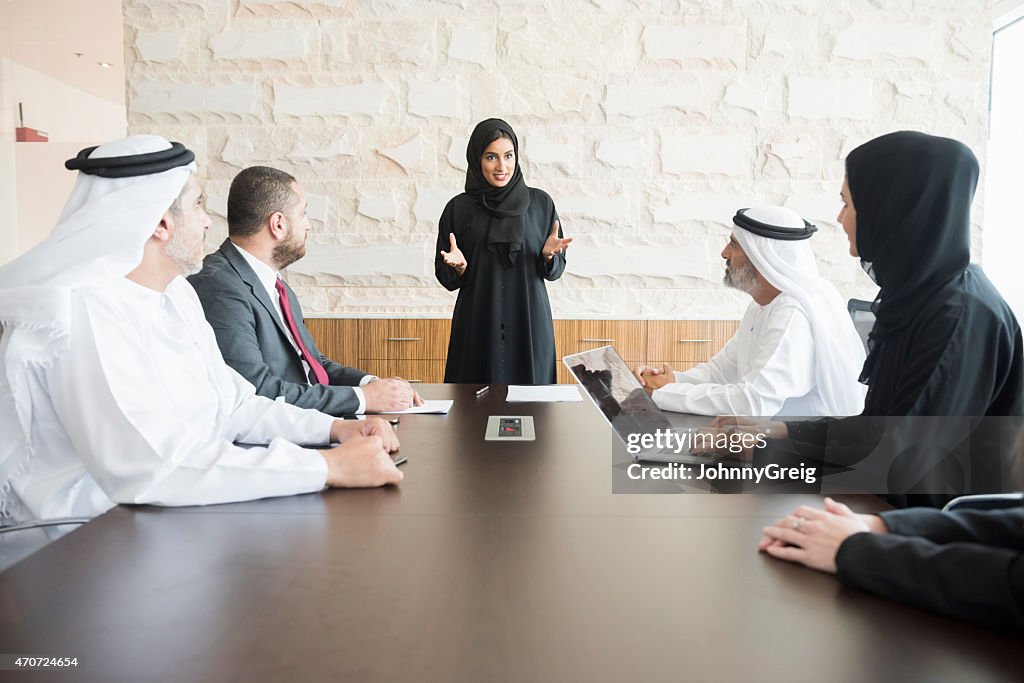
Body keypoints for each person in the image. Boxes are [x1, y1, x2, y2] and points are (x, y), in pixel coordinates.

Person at [0, 136, 403, 532]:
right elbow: (153, 467)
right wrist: (326, 466)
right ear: (161, 223)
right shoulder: (83, 311)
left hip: (168, 515)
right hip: (79, 542)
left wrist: (334, 430)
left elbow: (233, 405)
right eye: (198, 205)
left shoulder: (176, 295)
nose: (209, 221)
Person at [713, 132, 1024, 507]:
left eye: (847, 203)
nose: (840, 218)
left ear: (892, 210)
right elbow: (877, 431)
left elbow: (907, 462)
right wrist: (777, 430)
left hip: (936, 536)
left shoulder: (958, 315)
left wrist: (765, 455)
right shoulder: (918, 296)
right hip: (891, 516)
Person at [189, 166, 421, 416]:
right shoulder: (218, 286)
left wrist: (372, 384)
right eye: (304, 214)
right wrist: (362, 399)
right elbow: (255, 390)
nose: (308, 226)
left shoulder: (276, 285)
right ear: (278, 224)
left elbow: (313, 365)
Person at [634, 206, 866, 418]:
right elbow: (721, 372)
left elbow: (754, 402)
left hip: (801, 453)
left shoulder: (793, 312)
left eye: (734, 245)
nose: (724, 253)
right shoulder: (762, 304)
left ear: (762, 257)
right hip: (764, 442)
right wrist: (671, 380)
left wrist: (662, 394)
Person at [435, 118, 572, 384]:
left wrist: (548, 257)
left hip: (529, 320)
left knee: (534, 410)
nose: (502, 166)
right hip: (478, 320)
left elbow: (555, 271)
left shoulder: (540, 204)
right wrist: (460, 268)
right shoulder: (458, 209)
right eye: (491, 157)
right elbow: (444, 275)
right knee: (472, 410)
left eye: (508, 156)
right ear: (476, 159)